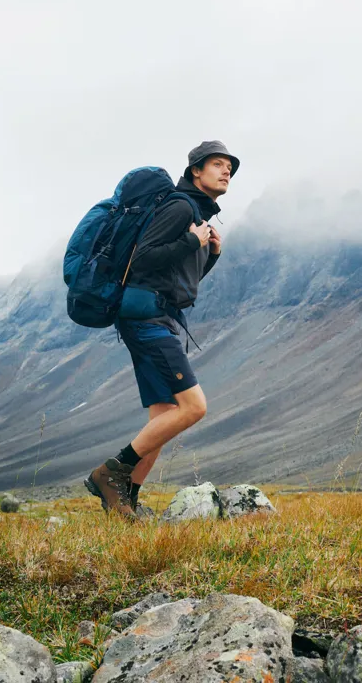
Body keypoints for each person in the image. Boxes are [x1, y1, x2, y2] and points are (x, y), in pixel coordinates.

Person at [85, 140, 240, 518]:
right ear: (195, 172)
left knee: (163, 415)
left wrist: (211, 254)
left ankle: (126, 504)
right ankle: (108, 475)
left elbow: (179, 281)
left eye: (230, 168)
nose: (226, 172)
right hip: (147, 318)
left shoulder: (197, 215)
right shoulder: (180, 206)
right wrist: (191, 239)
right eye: (217, 164)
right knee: (193, 407)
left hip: (162, 315)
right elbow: (144, 258)